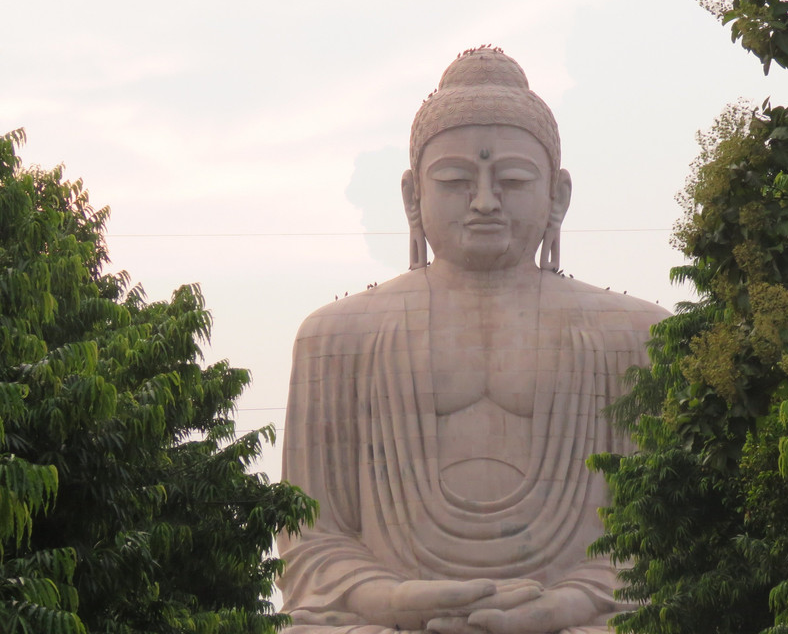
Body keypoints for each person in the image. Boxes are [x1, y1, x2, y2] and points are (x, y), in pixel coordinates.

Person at [278, 48, 668, 634]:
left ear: (558, 195)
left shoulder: (635, 336)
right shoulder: (336, 336)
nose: (485, 201)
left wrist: (569, 603)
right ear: (413, 196)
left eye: (511, 180)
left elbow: (661, 536)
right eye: (456, 181)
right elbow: (312, 539)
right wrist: (389, 600)